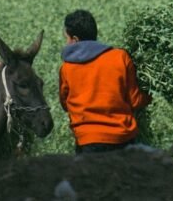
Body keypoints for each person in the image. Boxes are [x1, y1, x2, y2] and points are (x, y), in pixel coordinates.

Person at [58, 9, 151, 154]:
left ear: (75, 39)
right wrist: (149, 92)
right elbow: (135, 100)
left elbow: (65, 104)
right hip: (122, 140)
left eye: (67, 38)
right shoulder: (120, 57)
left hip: (87, 142)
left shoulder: (67, 68)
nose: (67, 42)